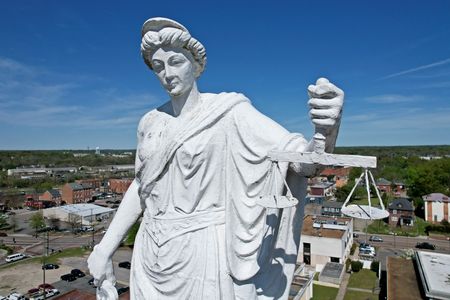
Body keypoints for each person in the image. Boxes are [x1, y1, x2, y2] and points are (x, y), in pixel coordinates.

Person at [88, 17, 344, 300]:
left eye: (176, 62)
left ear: (196, 65)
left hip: (202, 253)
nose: (167, 73)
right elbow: (141, 188)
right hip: (150, 252)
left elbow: (302, 162)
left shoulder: (229, 112)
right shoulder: (150, 122)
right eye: (158, 67)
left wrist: (325, 130)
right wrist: (104, 249)